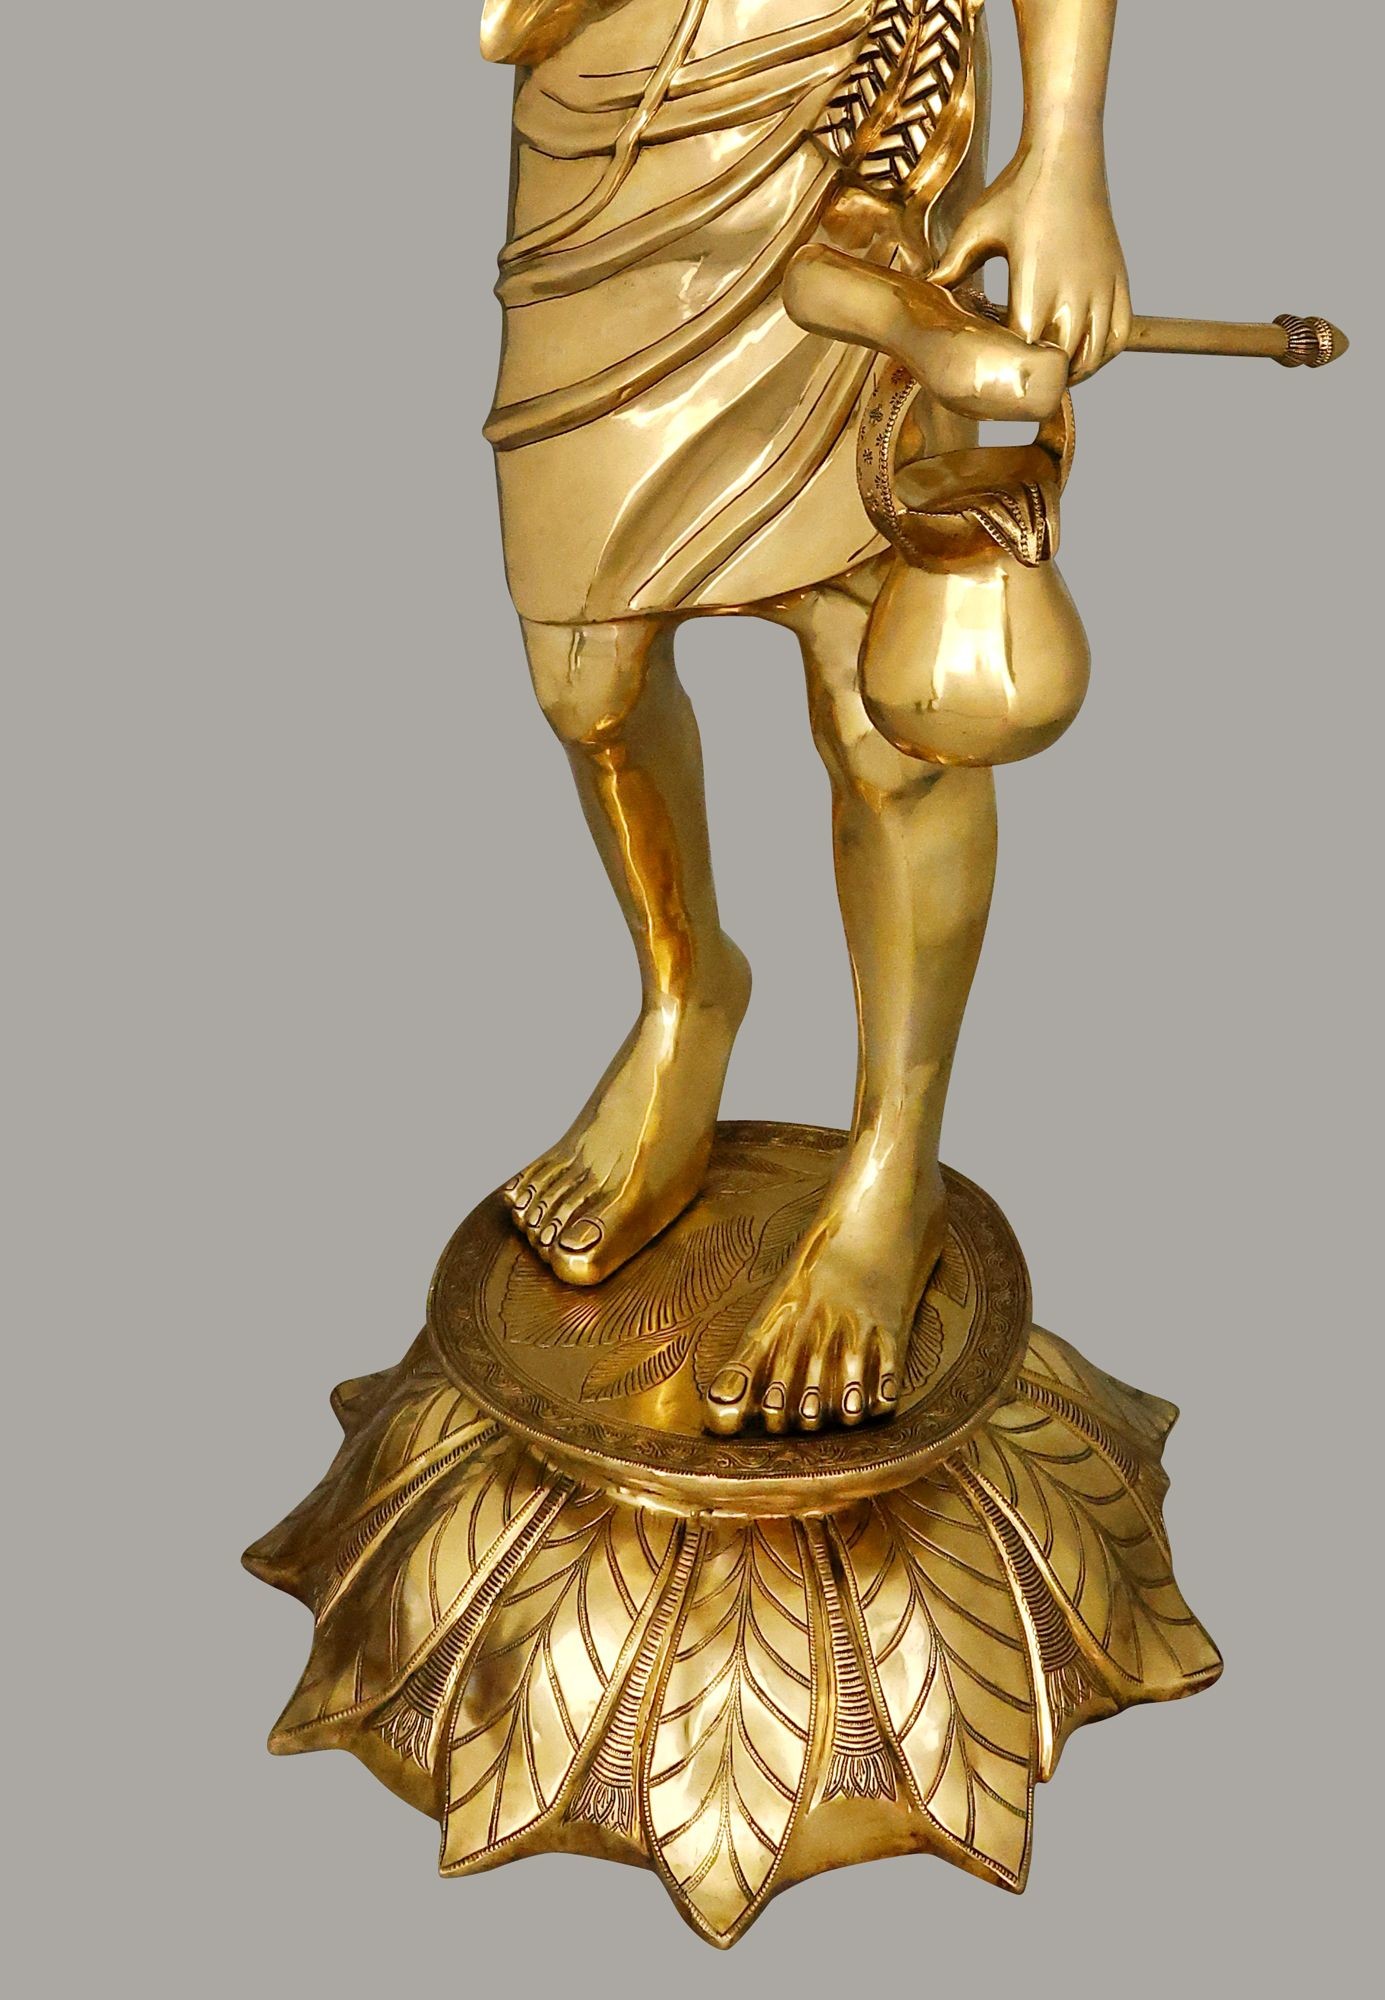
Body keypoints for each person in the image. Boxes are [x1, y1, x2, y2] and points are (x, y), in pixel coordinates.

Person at [483, 0, 1132, 1434]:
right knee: (583, 671)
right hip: (612, 111)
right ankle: (687, 992)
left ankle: (895, 1154)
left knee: (887, 711)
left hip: (851, 108)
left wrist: (1066, 143)